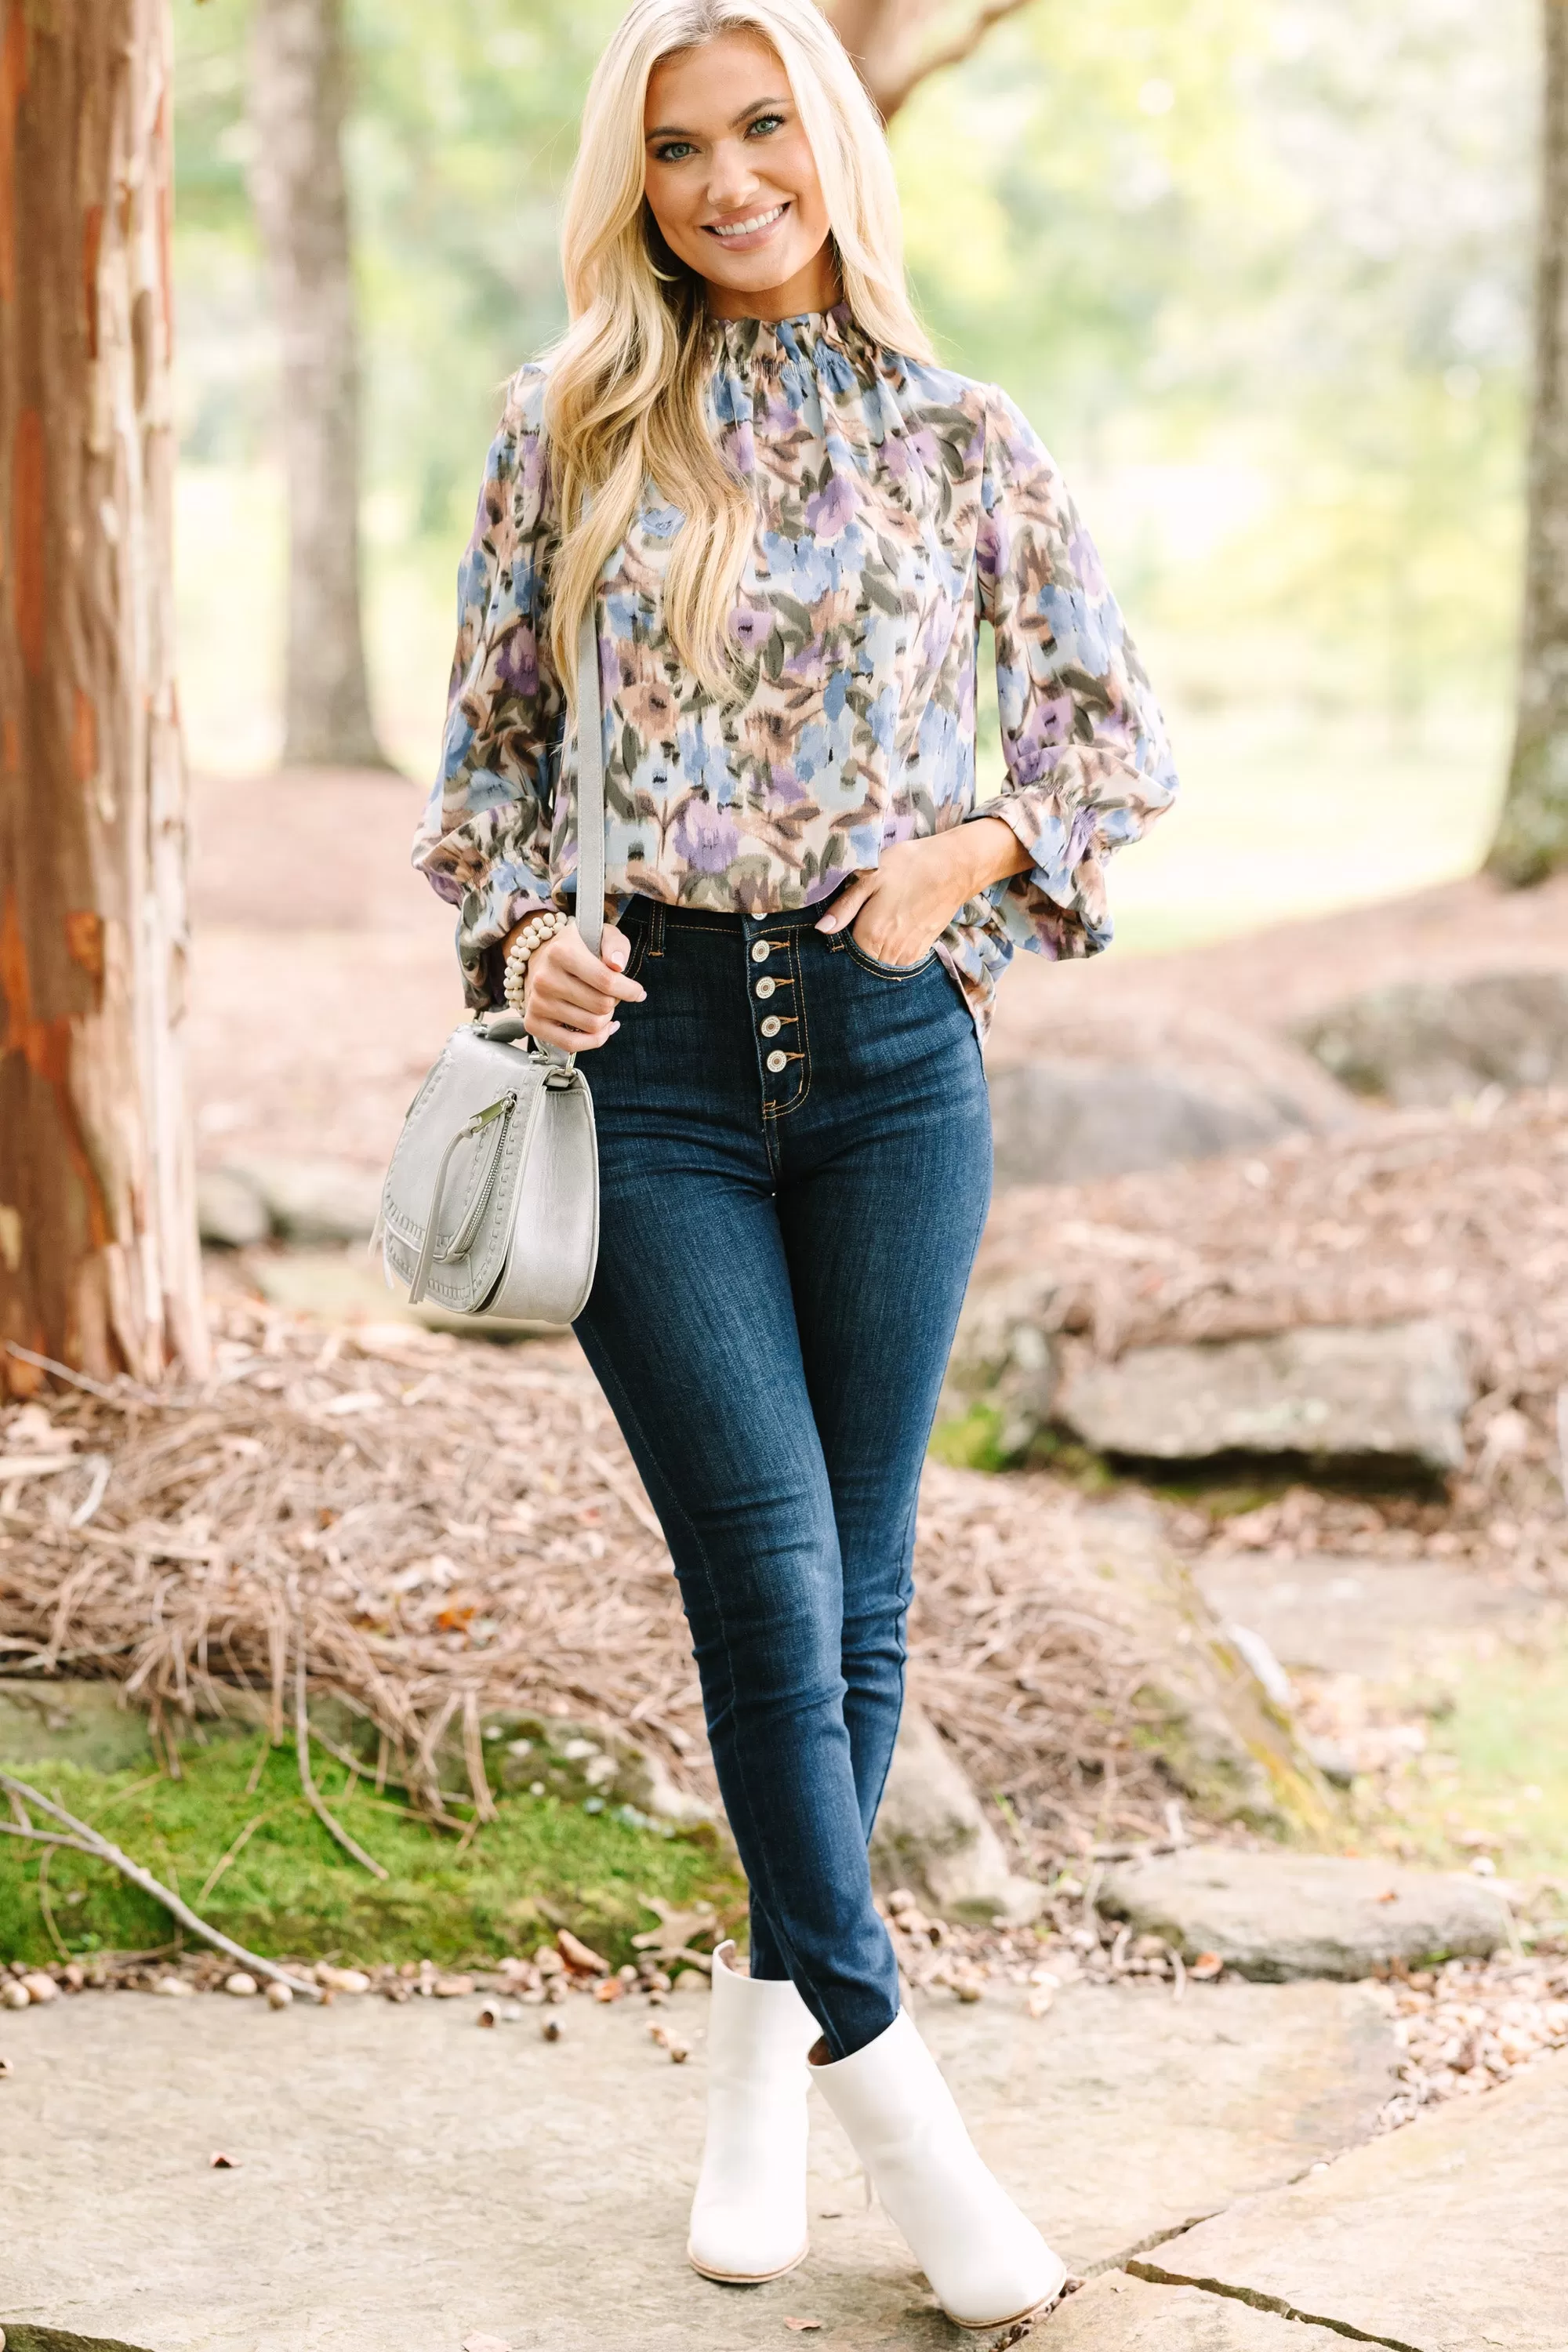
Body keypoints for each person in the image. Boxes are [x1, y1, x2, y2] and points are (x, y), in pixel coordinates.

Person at [413, 0, 1176, 2326]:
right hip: (645, 1060)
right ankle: (904, 2108)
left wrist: (965, 859)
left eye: (762, 126)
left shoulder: (963, 436)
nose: (728, 176)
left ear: (832, 135)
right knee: (762, 1568)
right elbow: (484, 777)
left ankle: (757, 2073)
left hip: (888, 1058)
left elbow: (1107, 744)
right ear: (631, 180)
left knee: (857, 1589)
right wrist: (528, 941)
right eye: (677, 148)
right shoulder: (566, 427)